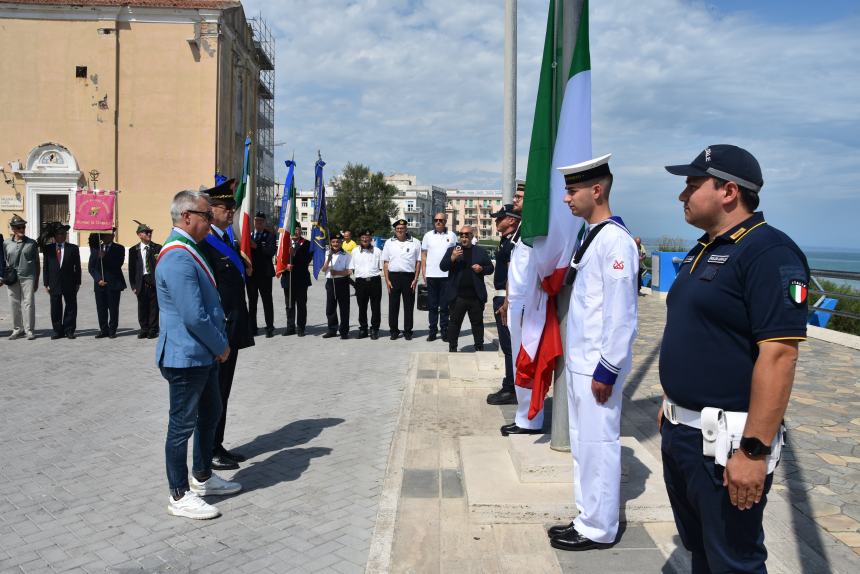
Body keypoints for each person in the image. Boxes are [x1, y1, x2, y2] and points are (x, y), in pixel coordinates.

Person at [658, 145, 808, 573]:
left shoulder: (768, 252)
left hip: (727, 444)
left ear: (728, 191)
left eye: (691, 184)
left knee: (733, 562)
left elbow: (779, 356)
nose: (681, 195)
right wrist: (671, 407)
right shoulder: (705, 247)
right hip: (682, 432)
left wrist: (754, 452)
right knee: (703, 552)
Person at [546, 155, 639, 552]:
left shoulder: (616, 241)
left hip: (597, 368)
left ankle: (600, 527)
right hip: (583, 364)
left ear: (596, 191)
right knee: (584, 446)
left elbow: (622, 314)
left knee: (599, 446)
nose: (566, 198)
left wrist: (609, 368)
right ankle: (587, 518)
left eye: (572, 190)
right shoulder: (594, 235)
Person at [156, 189, 239, 520]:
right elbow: (193, 315)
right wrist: (221, 346)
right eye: (206, 215)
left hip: (200, 354)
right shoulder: (177, 255)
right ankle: (179, 494)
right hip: (185, 356)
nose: (210, 221)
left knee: (211, 412)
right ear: (186, 216)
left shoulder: (191, 249)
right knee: (182, 426)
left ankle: (203, 476)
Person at [200, 180, 254, 471]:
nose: (231, 211)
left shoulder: (226, 240)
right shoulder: (206, 244)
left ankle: (217, 444)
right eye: (225, 207)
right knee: (214, 393)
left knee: (223, 391)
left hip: (232, 330)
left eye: (232, 207)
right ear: (211, 210)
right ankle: (207, 450)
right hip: (219, 332)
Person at [498, 180, 544, 436]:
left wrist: (525, 305)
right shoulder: (523, 229)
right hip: (516, 304)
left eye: (519, 196)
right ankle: (524, 415)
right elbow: (515, 272)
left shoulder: (536, 229)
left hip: (528, 306)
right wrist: (506, 302)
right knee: (518, 362)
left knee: (527, 362)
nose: (514, 200)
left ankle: (530, 419)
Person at [439, 225, 493, 352]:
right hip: (457, 297)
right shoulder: (452, 250)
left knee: (477, 324)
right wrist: (452, 257)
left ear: (472, 236)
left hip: (475, 296)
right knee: (454, 324)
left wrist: (482, 269)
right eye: (461, 235)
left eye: (466, 235)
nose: (464, 238)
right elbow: (442, 267)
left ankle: (479, 347)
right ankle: (453, 348)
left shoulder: (480, 251)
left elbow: (491, 268)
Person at [485, 205, 520, 405]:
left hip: (506, 298)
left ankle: (511, 388)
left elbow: (512, 275)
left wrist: (506, 302)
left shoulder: (513, 243)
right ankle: (511, 385)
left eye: (500, 218)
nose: (496, 221)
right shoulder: (505, 241)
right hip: (501, 297)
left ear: (512, 220)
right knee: (508, 346)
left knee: (509, 347)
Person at [382, 219, 422, 340]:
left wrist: (416, 278)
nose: (400, 230)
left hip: (409, 277)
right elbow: (385, 262)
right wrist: (387, 280)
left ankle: (408, 331)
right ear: (395, 230)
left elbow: (418, 262)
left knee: (409, 306)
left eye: (402, 228)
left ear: (406, 229)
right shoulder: (389, 242)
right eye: (398, 228)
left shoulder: (415, 242)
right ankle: (394, 330)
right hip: (393, 277)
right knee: (393, 305)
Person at [421, 212, 457, 342]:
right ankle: (432, 331)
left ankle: (444, 331)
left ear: (445, 220)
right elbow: (424, 255)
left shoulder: (452, 236)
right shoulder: (427, 236)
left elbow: (455, 255)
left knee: (445, 306)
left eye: (441, 220)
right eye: (436, 220)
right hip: (431, 276)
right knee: (432, 306)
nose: (438, 222)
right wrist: (423, 273)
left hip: (446, 276)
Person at [4, 215, 40, 340]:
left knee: (29, 304)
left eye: (23, 227)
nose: (22, 229)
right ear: (13, 229)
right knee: (13, 304)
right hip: (12, 278)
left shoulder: (32, 243)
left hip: (28, 277)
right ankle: (17, 329)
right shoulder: (6, 243)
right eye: (19, 227)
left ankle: (29, 330)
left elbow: (37, 263)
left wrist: (36, 280)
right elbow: (4, 261)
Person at [43, 223, 81, 340]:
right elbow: (46, 267)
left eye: (64, 233)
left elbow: (77, 267)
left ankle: (69, 330)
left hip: (69, 282)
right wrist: (46, 283)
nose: (62, 236)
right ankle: (57, 331)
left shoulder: (73, 248)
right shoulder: (48, 249)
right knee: (55, 307)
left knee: (71, 306)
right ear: (55, 236)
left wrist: (78, 282)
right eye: (59, 234)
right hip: (54, 283)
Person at [88, 228, 126, 339]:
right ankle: (103, 329)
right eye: (109, 234)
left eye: (112, 234)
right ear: (103, 236)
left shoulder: (119, 248)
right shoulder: (96, 249)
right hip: (100, 284)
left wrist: (105, 257)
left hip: (113, 283)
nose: (112, 236)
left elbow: (118, 264)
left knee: (113, 308)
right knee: (101, 308)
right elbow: (91, 268)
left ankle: (112, 330)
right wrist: (98, 279)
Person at [128, 221, 161, 339]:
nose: (149, 234)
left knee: (153, 306)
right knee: (142, 306)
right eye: (146, 232)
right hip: (140, 281)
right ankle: (144, 328)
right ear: (139, 234)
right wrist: (133, 285)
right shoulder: (133, 250)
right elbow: (131, 269)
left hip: (153, 281)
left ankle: (153, 329)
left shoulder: (157, 248)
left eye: (150, 232)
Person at [349, 229, 383, 339]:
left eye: (367, 237)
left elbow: (381, 267)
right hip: (360, 282)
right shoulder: (354, 251)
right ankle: (363, 328)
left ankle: (375, 329)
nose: (365, 239)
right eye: (363, 237)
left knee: (375, 307)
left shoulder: (377, 251)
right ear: (360, 239)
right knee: (362, 307)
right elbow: (351, 268)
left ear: (370, 239)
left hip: (375, 281)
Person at [247, 212, 276, 338]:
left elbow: (270, 252)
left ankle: (269, 327)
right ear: (253, 222)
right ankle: (253, 327)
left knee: (267, 301)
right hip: (251, 274)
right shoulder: (248, 235)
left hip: (265, 274)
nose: (258, 223)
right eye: (256, 221)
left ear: (264, 223)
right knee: (252, 302)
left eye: (260, 221)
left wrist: (257, 246)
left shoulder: (269, 235)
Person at [281, 225, 312, 336]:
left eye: (297, 230)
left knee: (301, 304)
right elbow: (278, 259)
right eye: (293, 230)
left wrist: (294, 253)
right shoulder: (283, 242)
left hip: (301, 279)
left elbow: (307, 260)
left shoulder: (307, 244)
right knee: (289, 304)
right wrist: (285, 267)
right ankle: (290, 327)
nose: (295, 232)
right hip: (287, 278)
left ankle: (301, 327)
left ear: (300, 232)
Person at [321, 233, 352, 339]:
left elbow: (349, 271)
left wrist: (338, 273)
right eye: (333, 242)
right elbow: (323, 270)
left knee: (344, 308)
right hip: (330, 282)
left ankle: (344, 331)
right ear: (330, 242)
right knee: (330, 308)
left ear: (341, 242)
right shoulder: (326, 253)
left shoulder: (347, 255)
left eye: (338, 242)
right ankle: (332, 329)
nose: (335, 244)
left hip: (342, 282)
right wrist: (328, 260)